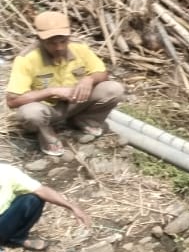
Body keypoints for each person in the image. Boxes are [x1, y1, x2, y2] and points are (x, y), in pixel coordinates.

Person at [6, 11, 126, 157]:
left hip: (76, 103)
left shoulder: (79, 48)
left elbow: (102, 73)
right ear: (40, 40)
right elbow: (12, 100)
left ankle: (84, 120)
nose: (59, 47)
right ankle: (46, 133)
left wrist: (89, 79)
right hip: (47, 110)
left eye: (63, 41)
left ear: (69, 37)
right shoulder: (27, 59)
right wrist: (51, 91)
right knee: (30, 113)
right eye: (52, 43)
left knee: (113, 89)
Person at [0, 161, 91, 252]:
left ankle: (15, 238)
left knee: (33, 199)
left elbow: (41, 190)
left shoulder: (6, 172)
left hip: (4, 221)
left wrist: (72, 208)